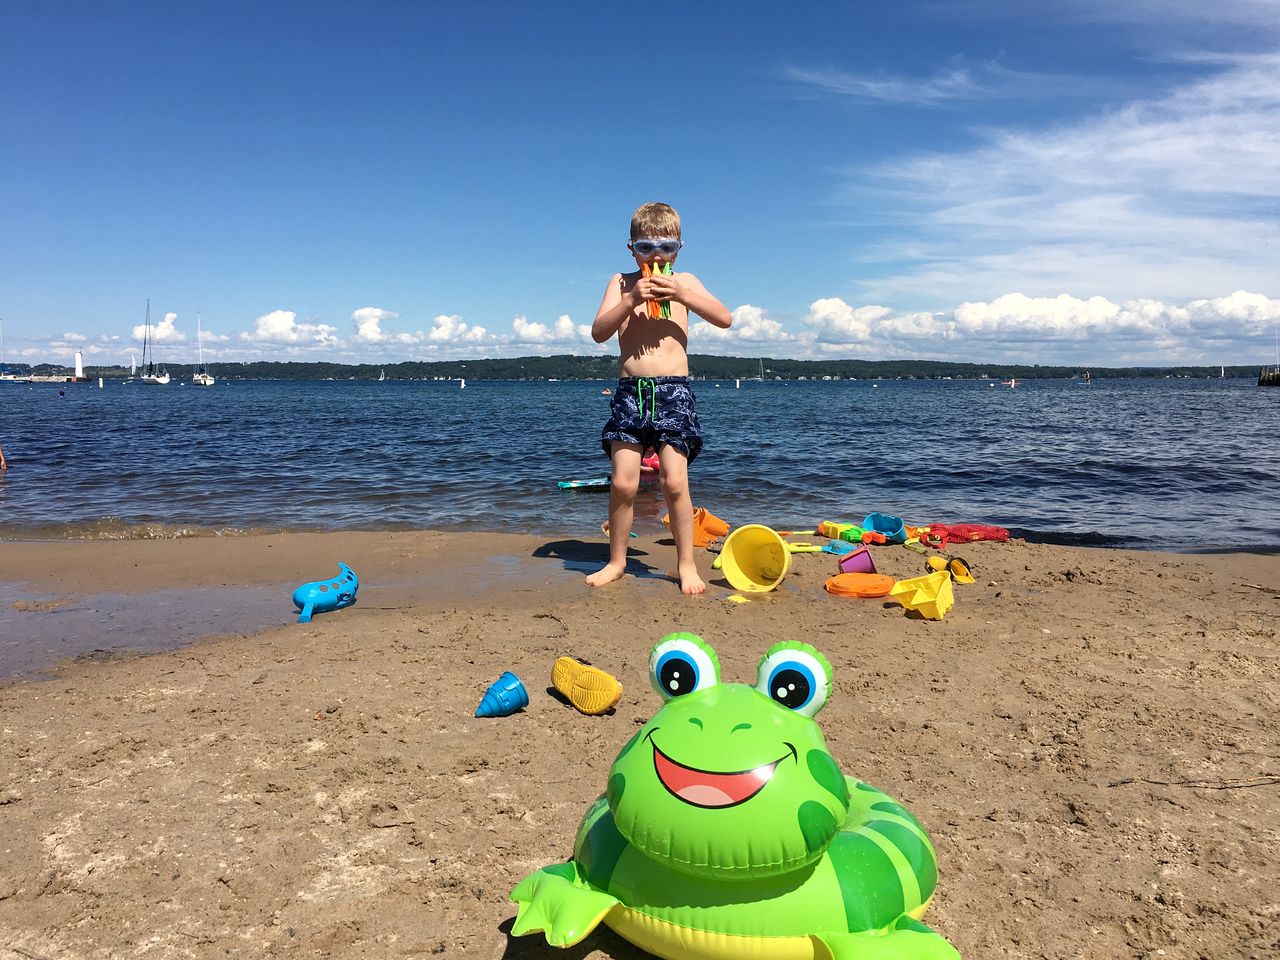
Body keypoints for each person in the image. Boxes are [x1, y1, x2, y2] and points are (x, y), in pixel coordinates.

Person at [585, 202, 732, 594]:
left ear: (679, 249)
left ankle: (686, 565)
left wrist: (682, 293)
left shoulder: (686, 281)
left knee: (675, 482)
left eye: (666, 247)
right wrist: (631, 300)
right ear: (631, 247)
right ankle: (617, 561)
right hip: (631, 392)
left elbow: (724, 317)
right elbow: (599, 332)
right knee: (624, 482)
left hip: (673, 392)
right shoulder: (620, 283)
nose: (656, 256)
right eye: (646, 247)